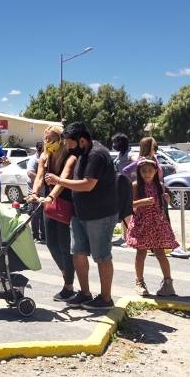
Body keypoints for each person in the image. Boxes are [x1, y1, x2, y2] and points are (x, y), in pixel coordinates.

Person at [52, 122, 118, 310]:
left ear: (82, 140)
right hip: (80, 213)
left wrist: (58, 180)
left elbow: (88, 184)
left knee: (101, 256)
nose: (68, 147)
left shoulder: (97, 154)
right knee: (78, 253)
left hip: (100, 215)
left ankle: (106, 298)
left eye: (70, 143)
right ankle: (85, 293)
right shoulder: (82, 153)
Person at [28, 126, 77, 301]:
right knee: (50, 243)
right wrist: (34, 193)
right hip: (49, 203)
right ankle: (67, 275)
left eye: (51, 139)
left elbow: (63, 179)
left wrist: (51, 196)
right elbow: (40, 177)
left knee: (64, 245)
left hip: (64, 201)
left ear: (61, 139)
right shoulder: (44, 156)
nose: (48, 143)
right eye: (46, 139)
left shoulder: (70, 157)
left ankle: (69, 286)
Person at [126, 159, 178, 296]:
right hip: (141, 223)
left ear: (156, 171)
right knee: (141, 253)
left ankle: (168, 283)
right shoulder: (136, 185)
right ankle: (139, 282)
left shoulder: (160, 185)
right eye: (144, 171)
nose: (147, 174)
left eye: (150, 171)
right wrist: (143, 202)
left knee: (160, 253)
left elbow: (164, 201)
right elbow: (129, 204)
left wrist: (167, 199)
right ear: (139, 172)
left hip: (157, 223)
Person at [28, 140, 45, 242]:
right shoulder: (34, 160)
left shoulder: (43, 159)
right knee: (35, 214)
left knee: (43, 215)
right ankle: (35, 236)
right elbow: (30, 173)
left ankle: (43, 236)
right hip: (34, 192)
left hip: (43, 193)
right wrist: (42, 180)